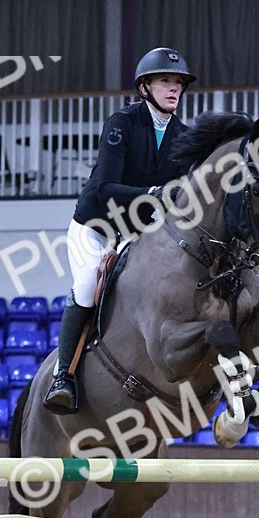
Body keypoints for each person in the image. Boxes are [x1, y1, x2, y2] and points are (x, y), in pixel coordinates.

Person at [44, 47, 196, 413]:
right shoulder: (121, 124)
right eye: (164, 81)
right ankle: (63, 375)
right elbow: (105, 187)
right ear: (144, 87)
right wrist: (154, 193)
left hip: (137, 233)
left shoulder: (183, 136)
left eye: (177, 83)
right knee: (85, 288)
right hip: (95, 227)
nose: (173, 89)